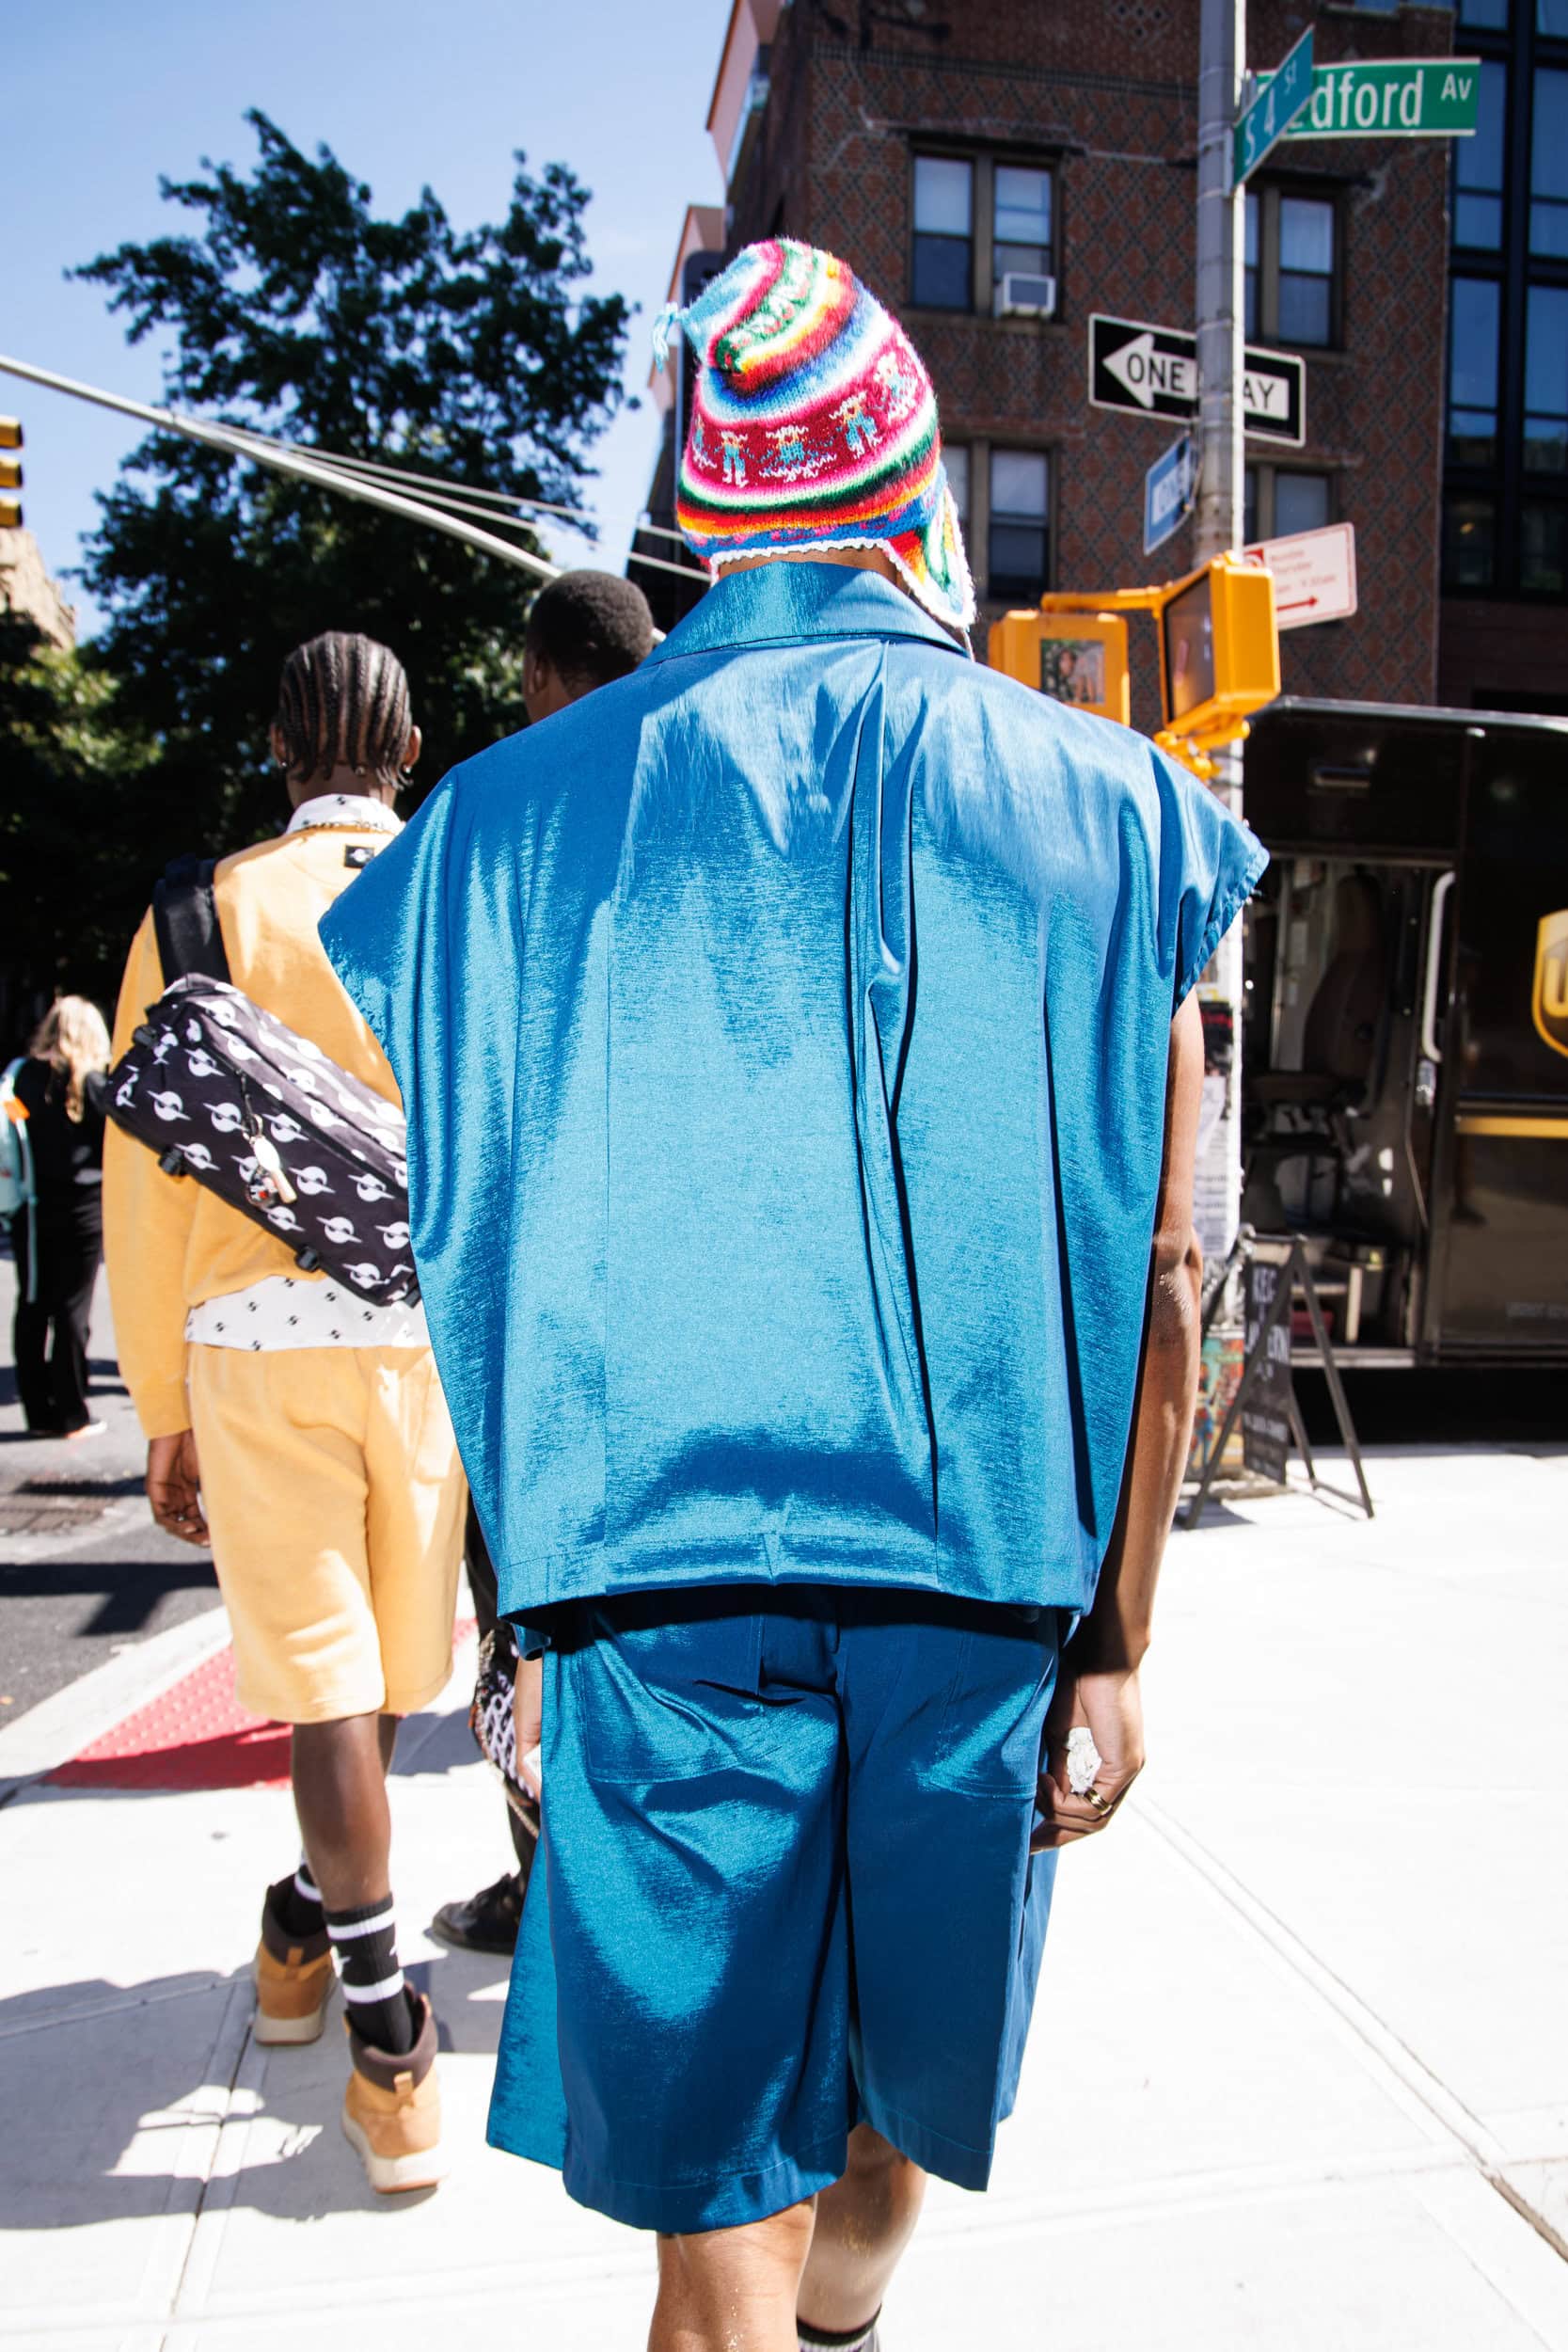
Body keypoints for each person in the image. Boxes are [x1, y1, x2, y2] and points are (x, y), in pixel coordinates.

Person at [322, 239, 1265, 2349]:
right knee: (884, 2120)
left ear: (709, 509)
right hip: (978, 1583)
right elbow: (1162, 1276)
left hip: (652, 1588)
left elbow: (484, 1235)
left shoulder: (499, 825)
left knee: (711, 2181)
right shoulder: (1121, 812)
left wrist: (516, 1613)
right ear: (919, 496)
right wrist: (1118, 1637)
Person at [103, 631, 467, 2197]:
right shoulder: (458, 890)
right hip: (424, 1341)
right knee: (375, 1684)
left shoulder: (198, 913)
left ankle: (328, 1962)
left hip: (247, 1347)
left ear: (274, 745)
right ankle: (374, 2016)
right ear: (408, 748)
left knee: (333, 1690)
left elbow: (143, 1176)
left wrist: (161, 1406)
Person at [431, 568, 656, 1961]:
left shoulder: (507, 817)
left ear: (536, 678)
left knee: (525, 1604)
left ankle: (551, 1888)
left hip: (542, 1303)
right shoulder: (708, 792)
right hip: (683, 1297)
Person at [8, 997, 112, 1438]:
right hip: (84, 1210)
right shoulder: (93, 1083)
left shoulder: (21, 1077)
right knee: (73, 1309)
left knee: (33, 1304)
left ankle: (38, 1411)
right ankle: (72, 1412)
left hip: (30, 1206)